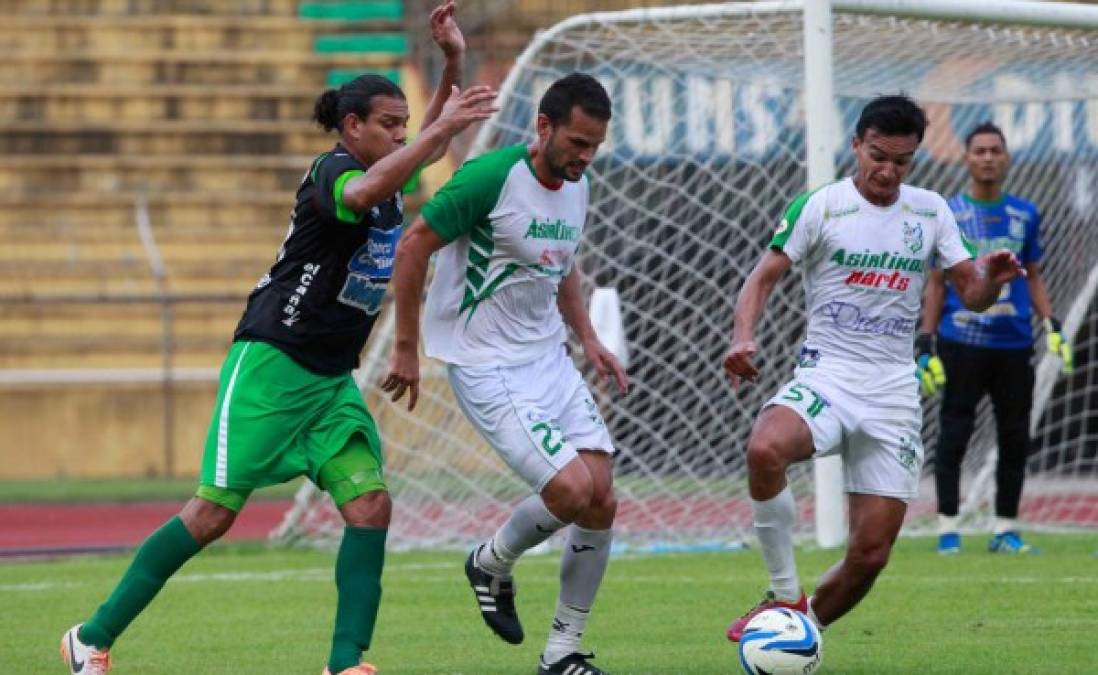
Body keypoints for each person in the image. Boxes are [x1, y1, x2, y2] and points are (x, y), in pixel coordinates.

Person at [59, 5, 496, 674]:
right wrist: (442, 125)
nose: (402, 133)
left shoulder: (387, 177)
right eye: (388, 124)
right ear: (351, 128)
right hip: (270, 364)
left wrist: (453, 68)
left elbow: (424, 149)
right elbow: (384, 176)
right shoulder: (334, 174)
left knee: (370, 503)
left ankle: (345, 662)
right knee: (209, 515)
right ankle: (89, 637)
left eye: (404, 124)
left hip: (328, 382)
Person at [721, 95, 1025, 642]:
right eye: (878, 156)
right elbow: (762, 275)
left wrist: (991, 280)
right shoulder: (821, 206)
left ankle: (794, 634)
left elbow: (970, 292)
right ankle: (784, 592)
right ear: (857, 144)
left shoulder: (931, 210)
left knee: (870, 554)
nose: (887, 171)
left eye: (902, 162)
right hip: (828, 374)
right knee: (765, 448)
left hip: (892, 390)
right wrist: (744, 335)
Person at [382, 73, 627, 675]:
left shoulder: (578, 184)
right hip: (487, 364)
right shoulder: (492, 178)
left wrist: (588, 338)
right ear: (543, 127)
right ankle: (490, 562)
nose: (585, 155)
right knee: (569, 491)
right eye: (576, 141)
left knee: (602, 500)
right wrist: (407, 348)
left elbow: (561, 265)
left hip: (548, 359)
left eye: (594, 144)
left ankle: (562, 653)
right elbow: (414, 245)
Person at [918, 121, 1073, 555]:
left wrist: (1051, 322)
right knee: (954, 432)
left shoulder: (1025, 213)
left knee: (1014, 436)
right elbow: (936, 282)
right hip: (960, 339)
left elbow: (1035, 275)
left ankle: (1005, 527)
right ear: (966, 158)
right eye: (979, 150)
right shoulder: (948, 213)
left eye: (995, 150)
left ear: (1006, 158)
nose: (987, 157)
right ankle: (947, 528)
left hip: (1013, 342)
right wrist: (926, 339)